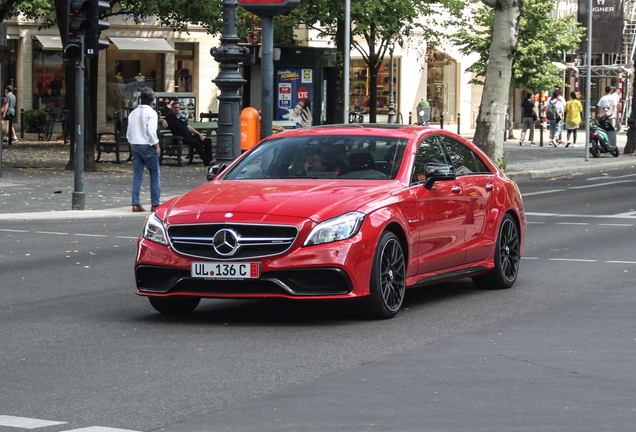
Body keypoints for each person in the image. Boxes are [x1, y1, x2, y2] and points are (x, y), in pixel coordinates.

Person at [126, 87, 161, 212]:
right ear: (152, 100)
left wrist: (131, 142)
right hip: (147, 145)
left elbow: (129, 132)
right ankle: (155, 203)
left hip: (135, 144)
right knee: (154, 174)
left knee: (137, 176)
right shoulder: (151, 113)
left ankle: (136, 203)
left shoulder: (133, 113)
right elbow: (151, 131)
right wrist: (156, 144)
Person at [162, 101, 214, 166]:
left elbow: (190, 128)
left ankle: (209, 160)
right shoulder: (169, 118)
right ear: (172, 108)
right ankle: (207, 161)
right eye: (175, 107)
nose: (176, 109)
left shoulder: (181, 118)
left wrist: (199, 134)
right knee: (196, 144)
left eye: (178, 107)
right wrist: (163, 120)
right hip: (180, 138)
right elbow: (160, 120)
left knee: (208, 141)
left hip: (189, 136)